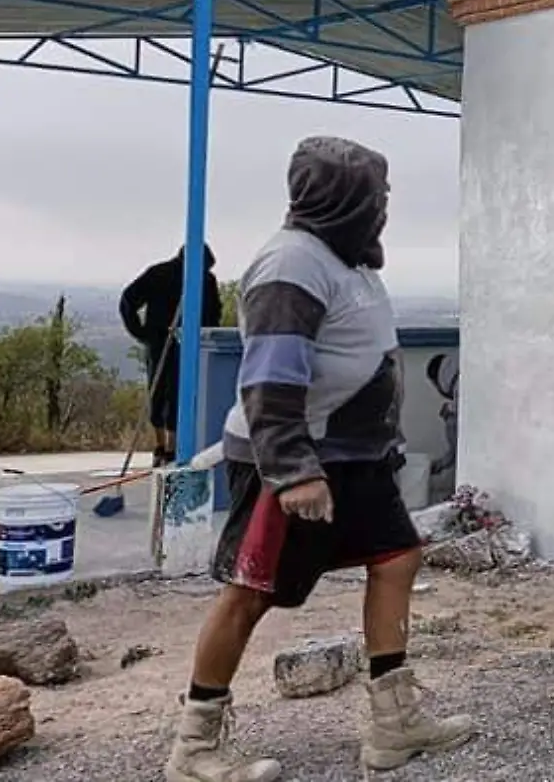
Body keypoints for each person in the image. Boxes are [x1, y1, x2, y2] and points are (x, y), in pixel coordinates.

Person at [165, 137, 472, 782]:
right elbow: (270, 377)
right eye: (377, 195)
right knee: (249, 595)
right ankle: (194, 747)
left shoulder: (347, 259)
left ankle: (394, 724)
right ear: (341, 197)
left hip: (354, 458)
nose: (385, 208)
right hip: (300, 460)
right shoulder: (291, 265)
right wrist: (293, 470)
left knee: (397, 557)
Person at [120, 244, 223, 467]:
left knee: (168, 394)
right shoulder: (166, 275)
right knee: (167, 394)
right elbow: (129, 300)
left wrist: (141, 333)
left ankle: (168, 448)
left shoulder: (203, 280)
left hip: (180, 343)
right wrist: (142, 332)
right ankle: (165, 449)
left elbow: (214, 314)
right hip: (165, 343)